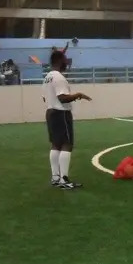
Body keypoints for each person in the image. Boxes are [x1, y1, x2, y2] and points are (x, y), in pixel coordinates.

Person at [42, 50, 91, 190]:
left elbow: (45, 97)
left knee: (56, 144)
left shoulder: (47, 77)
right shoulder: (59, 77)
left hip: (50, 112)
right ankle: (64, 179)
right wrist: (78, 95)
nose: (67, 63)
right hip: (61, 114)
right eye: (65, 60)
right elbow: (62, 98)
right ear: (59, 60)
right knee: (67, 144)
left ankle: (55, 177)